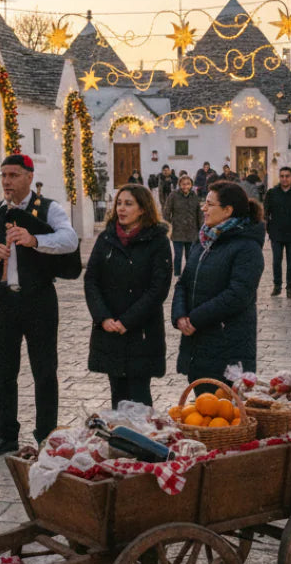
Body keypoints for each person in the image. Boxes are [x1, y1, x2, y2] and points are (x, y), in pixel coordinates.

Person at [0, 154, 79, 455]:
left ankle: (46, 435)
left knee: (45, 370)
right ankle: (5, 434)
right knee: (4, 370)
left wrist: (35, 240)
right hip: (3, 301)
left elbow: (69, 240)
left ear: (29, 177)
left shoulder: (48, 208)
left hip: (39, 299)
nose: (6, 181)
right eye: (3, 175)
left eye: (13, 175)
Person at [84, 184, 172, 407]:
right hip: (111, 329)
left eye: (128, 204)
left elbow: (158, 288)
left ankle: (142, 440)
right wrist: (103, 317)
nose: (121, 209)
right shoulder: (106, 238)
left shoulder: (157, 240)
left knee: (140, 396)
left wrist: (128, 321)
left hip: (141, 331)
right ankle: (121, 440)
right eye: (119, 203)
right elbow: (91, 279)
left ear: (143, 209)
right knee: (118, 396)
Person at [172, 180, 266, 382]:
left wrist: (195, 318)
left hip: (227, 346)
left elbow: (237, 295)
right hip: (197, 346)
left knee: (224, 409)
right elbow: (184, 281)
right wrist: (180, 315)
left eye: (209, 204)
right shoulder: (204, 240)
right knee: (201, 409)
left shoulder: (247, 248)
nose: (203, 208)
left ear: (227, 210)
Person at [264, 166, 291, 298]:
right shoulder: (272, 193)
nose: (284, 179)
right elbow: (266, 213)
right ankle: (277, 286)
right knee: (276, 261)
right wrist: (268, 229)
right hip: (276, 233)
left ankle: (290, 288)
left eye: (287, 176)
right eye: (282, 176)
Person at [163, 173, 201, 277]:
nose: (186, 186)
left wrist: (201, 229)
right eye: (183, 184)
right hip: (177, 231)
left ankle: (189, 275)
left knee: (190, 256)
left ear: (191, 185)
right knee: (178, 255)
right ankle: (177, 275)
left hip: (192, 231)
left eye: (188, 184)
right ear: (179, 184)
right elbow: (166, 211)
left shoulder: (195, 196)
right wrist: (169, 225)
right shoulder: (173, 195)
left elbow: (199, 214)